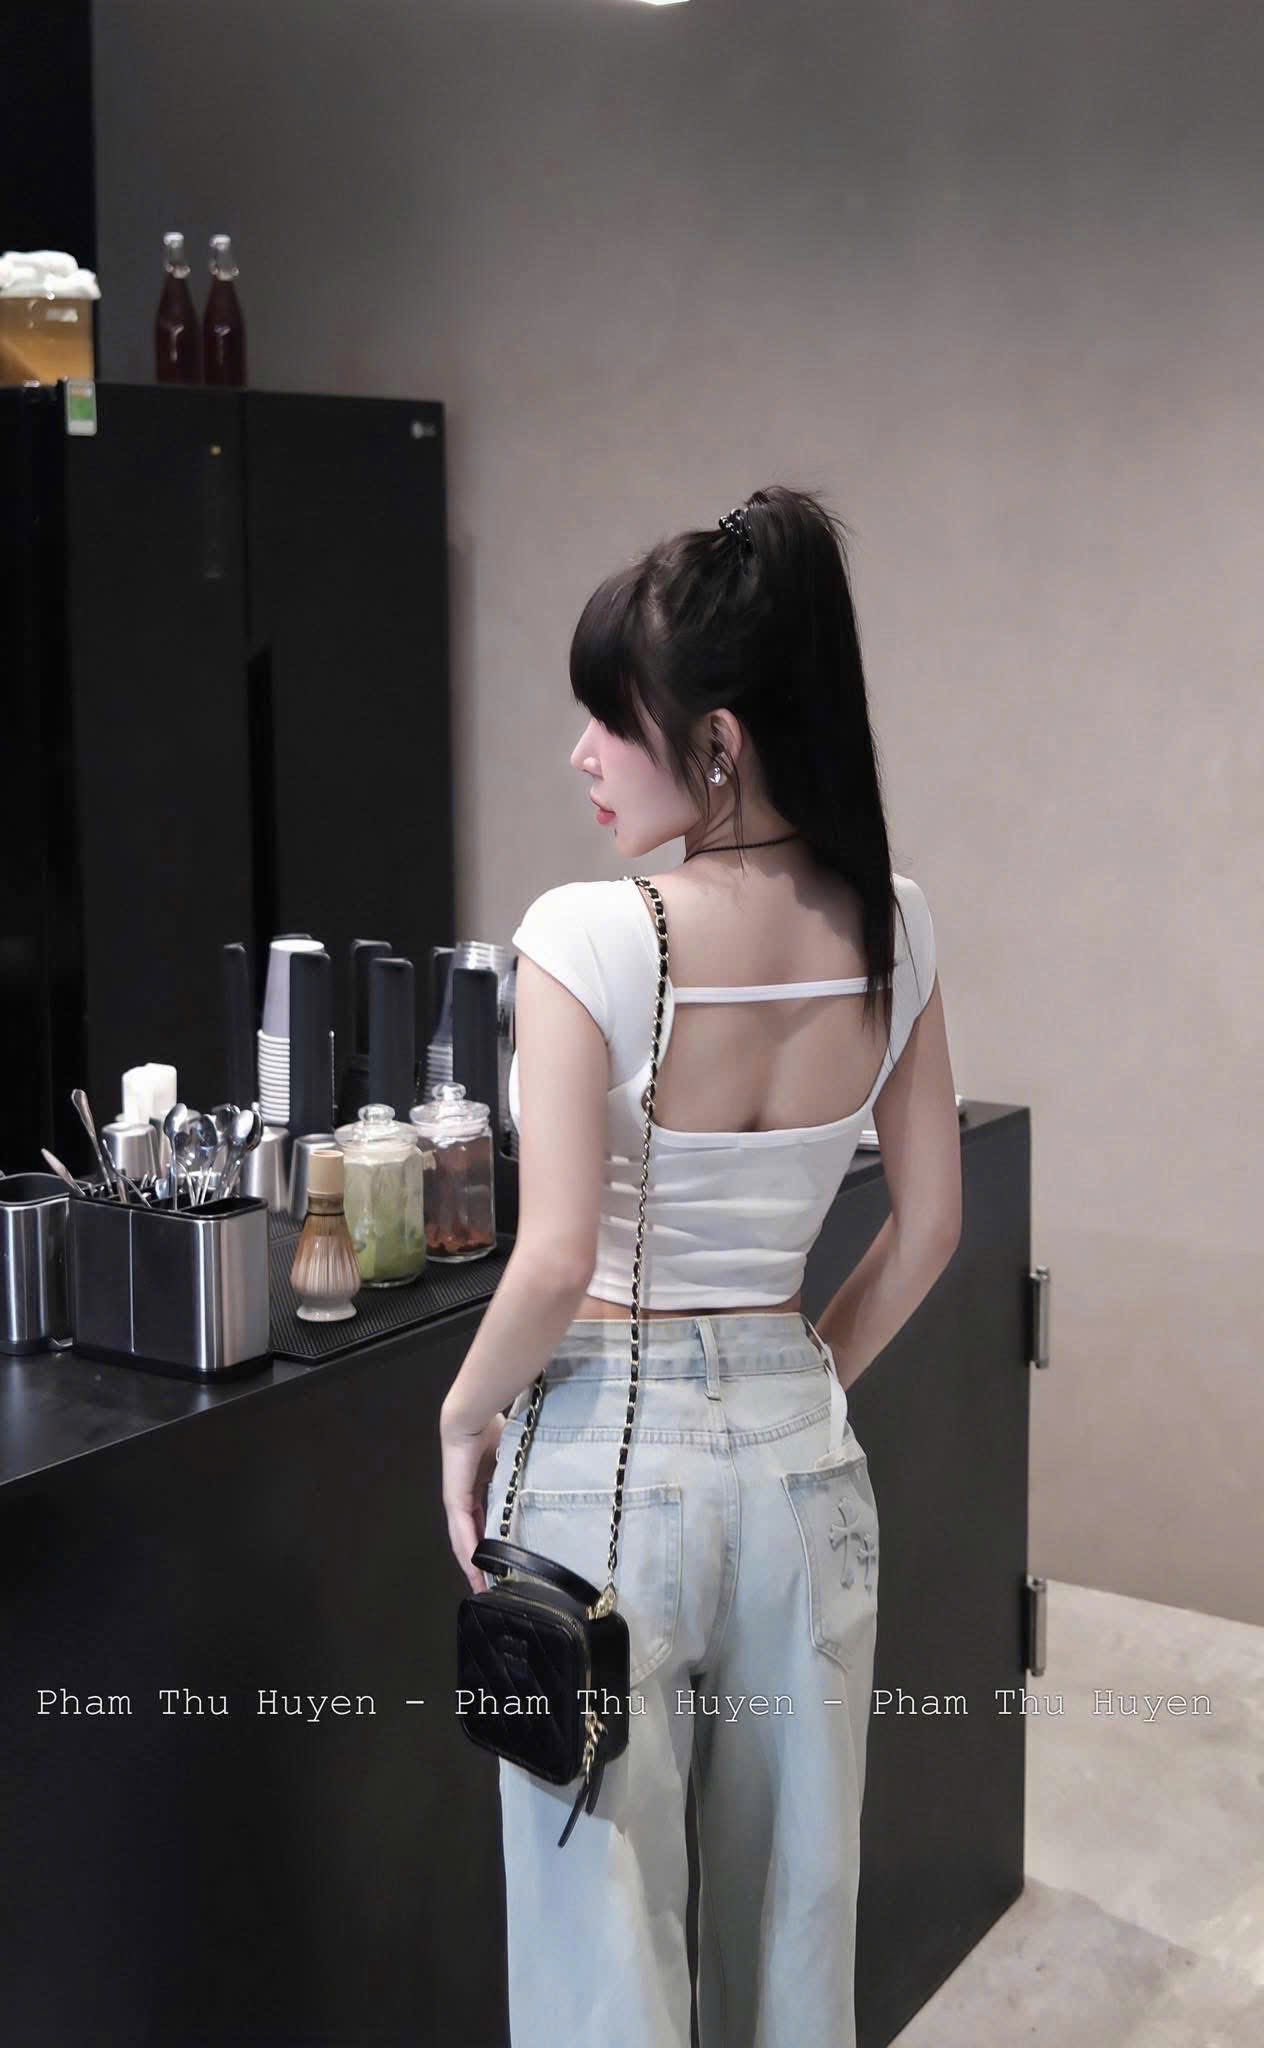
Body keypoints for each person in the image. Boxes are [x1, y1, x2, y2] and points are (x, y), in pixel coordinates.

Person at [440, 484, 961, 2048]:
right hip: (806, 1471)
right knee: (794, 1938)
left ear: (717, 740)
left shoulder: (585, 933)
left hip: (601, 1479)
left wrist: (462, 1418)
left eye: (614, 718)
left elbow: (553, 1260)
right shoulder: (897, 926)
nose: (582, 754)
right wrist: (796, 1382)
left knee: (604, 1963)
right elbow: (929, 1225)